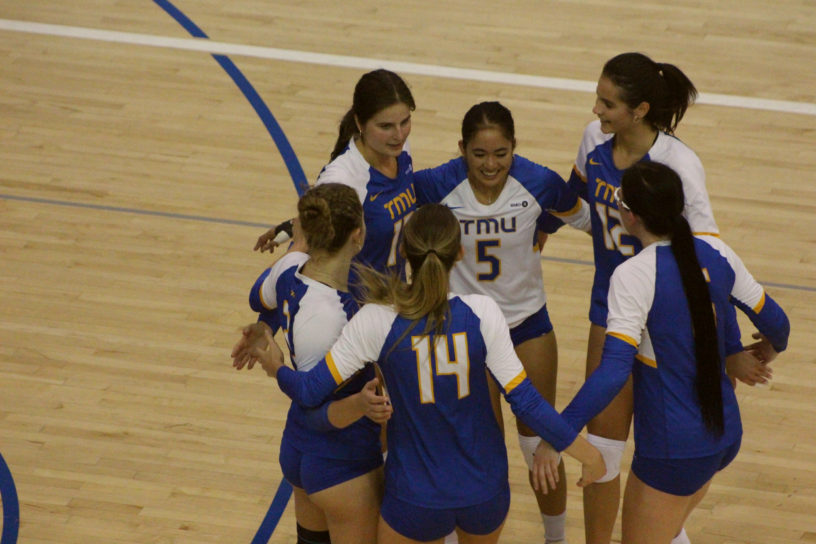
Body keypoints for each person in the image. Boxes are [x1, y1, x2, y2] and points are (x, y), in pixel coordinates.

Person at [245, 203, 606, 544]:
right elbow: (526, 403)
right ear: (459, 254)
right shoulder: (483, 312)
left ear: (404, 252)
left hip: (414, 499)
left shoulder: (376, 321)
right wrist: (587, 454)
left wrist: (276, 367)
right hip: (484, 493)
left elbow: (309, 392)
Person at [559, 161, 790, 543]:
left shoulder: (634, 276)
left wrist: (561, 430)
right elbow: (779, 325)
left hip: (674, 451)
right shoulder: (717, 251)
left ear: (629, 216)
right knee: (668, 528)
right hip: (723, 434)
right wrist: (769, 350)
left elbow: (614, 373)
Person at [565, 51, 743, 544]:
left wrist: (727, 346)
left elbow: (709, 255)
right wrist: (540, 225)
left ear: (640, 110)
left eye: (607, 103)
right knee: (603, 444)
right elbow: (577, 195)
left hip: (665, 319)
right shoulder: (592, 139)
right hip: (611, 305)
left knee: (667, 450)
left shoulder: (679, 165)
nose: (597, 111)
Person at [413, 101, 591, 543]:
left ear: (515, 148)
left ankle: (557, 539)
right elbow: (381, 205)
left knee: (538, 442)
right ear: (461, 149)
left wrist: (546, 222)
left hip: (526, 326)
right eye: (479, 154)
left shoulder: (539, 182)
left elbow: (588, 219)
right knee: (477, 446)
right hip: (463, 335)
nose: (490, 164)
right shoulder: (437, 183)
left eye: (501, 153)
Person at [233, 183, 392, 544]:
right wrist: (277, 369)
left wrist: (262, 325)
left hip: (298, 450)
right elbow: (312, 398)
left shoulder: (289, 268)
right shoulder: (336, 316)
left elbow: (258, 295)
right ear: (358, 234)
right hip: (342, 460)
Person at [254, 68, 417, 281]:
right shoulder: (343, 178)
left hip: (393, 300)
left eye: (404, 122)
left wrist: (288, 227)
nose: (399, 134)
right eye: (385, 126)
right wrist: (267, 288)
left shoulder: (400, 150)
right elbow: (306, 252)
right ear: (360, 123)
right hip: (355, 307)